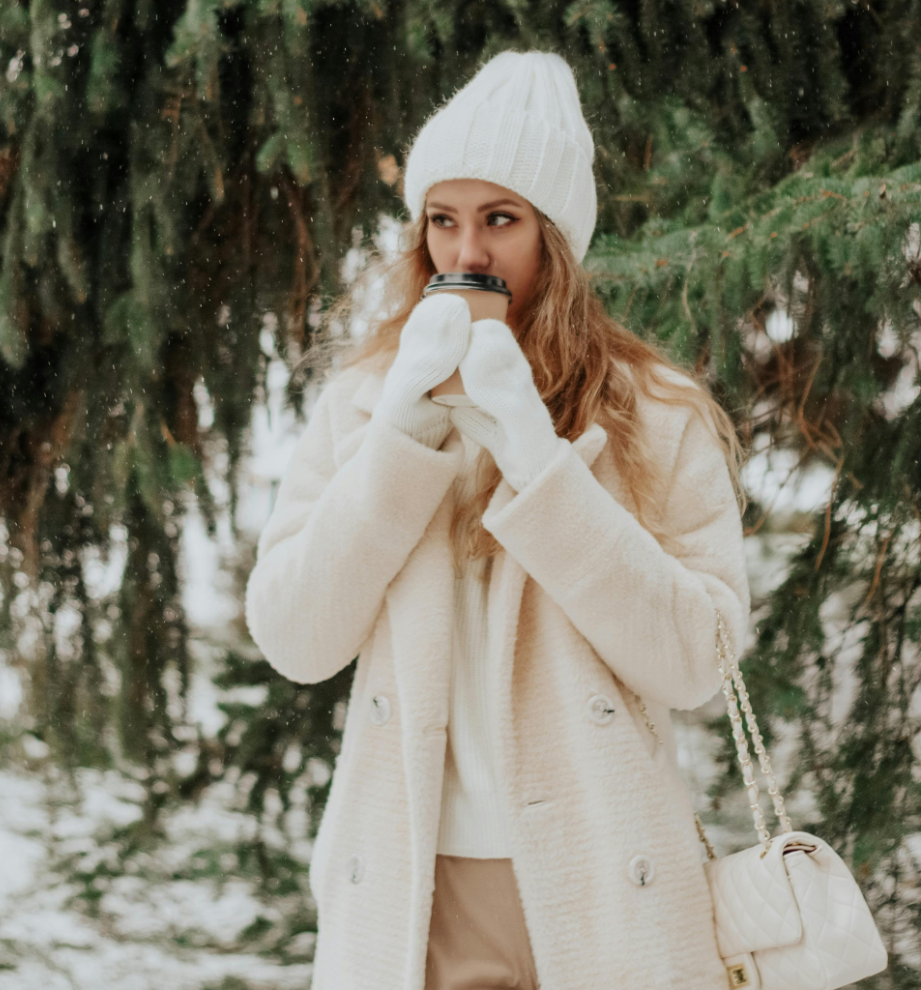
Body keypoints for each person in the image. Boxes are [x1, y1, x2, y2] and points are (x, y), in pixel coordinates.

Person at [244, 50, 752, 990]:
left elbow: (699, 662)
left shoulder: (655, 412)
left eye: (500, 221)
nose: (466, 256)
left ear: (555, 237)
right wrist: (404, 430)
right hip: (414, 891)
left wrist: (537, 456)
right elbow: (295, 635)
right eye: (444, 220)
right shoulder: (364, 403)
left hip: (609, 882)